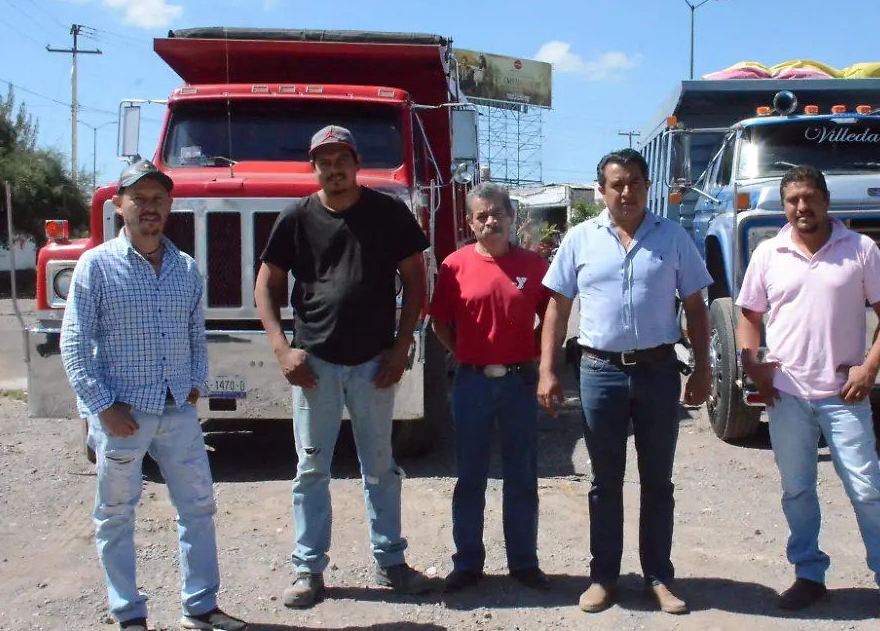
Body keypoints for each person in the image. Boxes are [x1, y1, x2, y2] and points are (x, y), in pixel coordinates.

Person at [61, 160, 247, 631]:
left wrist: (195, 387)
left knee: (199, 509)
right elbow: (74, 344)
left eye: (158, 199)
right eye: (139, 198)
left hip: (177, 413)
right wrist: (103, 407)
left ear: (170, 205)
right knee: (116, 516)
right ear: (119, 205)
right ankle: (129, 615)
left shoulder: (185, 268)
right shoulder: (95, 267)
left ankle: (201, 608)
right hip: (124, 415)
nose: (150, 207)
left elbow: (194, 332)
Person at [254, 125, 433, 607]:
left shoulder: (388, 214)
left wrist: (401, 347)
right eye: (323, 161)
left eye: (341, 160)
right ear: (314, 167)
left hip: (375, 363)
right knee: (311, 468)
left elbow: (416, 281)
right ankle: (308, 570)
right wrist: (281, 349)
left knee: (380, 467)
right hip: (315, 364)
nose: (333, 169)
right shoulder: (295, 218)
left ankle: (391, 560)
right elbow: (267, 285)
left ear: (357, 163)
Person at [734, 165, 880, 628]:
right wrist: (754, 365)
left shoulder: (859, 248)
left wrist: (869, 367)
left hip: (843, 395)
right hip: (786, 396)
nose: (802, 208)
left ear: (826, 200)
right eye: (793, 200)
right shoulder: (768, 253)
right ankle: (809, 575)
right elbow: (750, 315)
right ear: (784, 205)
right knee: (797, 491)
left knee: (867, 490)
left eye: (810, 198)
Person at [538, 148, 713, 615]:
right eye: (617, 183)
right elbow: (556, 307)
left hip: (658, 373)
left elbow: (696, 308)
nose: (627, 191)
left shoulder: (673, 238)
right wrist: (548, 369)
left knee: (658, 481)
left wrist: (704, 368)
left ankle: (658, 576)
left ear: (647, 185)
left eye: (635, 181)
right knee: (604, 482)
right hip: (599, 373)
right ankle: (604, 577)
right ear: (602, 190)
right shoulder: (579, 239)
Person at [430, 182, 553, 593]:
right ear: (470, 222)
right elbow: (439, 323)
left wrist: (538, 357)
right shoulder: (453, 266)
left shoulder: (534, 267)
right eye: (481, 215)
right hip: (472, 384)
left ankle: (524, 562)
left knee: (522, 475)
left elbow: (552, 316)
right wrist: (466, 352)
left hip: (520, 382)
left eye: (497, 213)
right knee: (470, 476)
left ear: (511, 217)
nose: (490, 220)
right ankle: (467, 563)